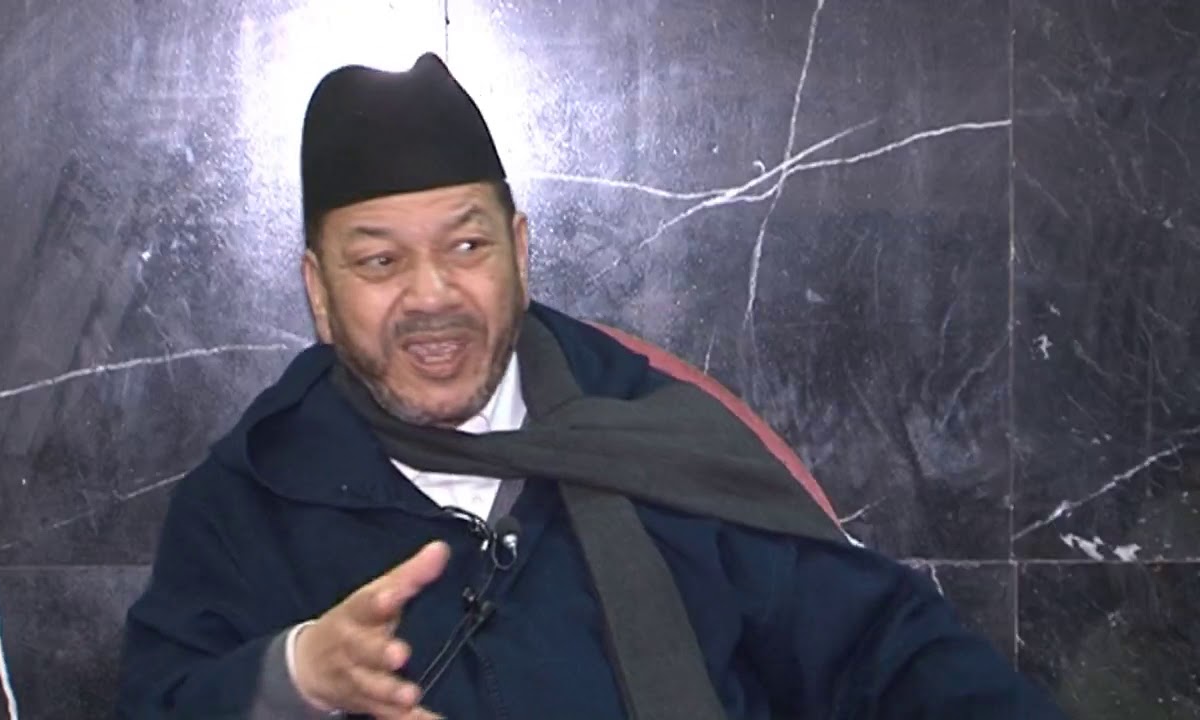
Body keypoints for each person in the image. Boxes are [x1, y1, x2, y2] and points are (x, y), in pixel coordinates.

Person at [117, 53, 1067, 720]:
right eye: (379, 262)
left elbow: (884, 652)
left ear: (520, 254)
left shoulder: (654, 442)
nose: (432, 296)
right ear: (320, 295)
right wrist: (298, 677)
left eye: (467, 245)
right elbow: (159, 700)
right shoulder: (248, 501)